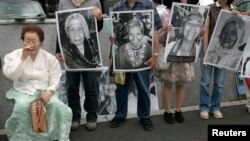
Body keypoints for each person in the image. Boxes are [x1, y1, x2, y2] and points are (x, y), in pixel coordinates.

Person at [3, 25, 72, 141]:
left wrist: (50, 92)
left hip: (45, 90)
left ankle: (57, 135)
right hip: (23, 90)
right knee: (21, 107)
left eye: (34, 41)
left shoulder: (49, 58)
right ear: (23, 41)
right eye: (27, 41)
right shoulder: (14, 55)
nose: (30, 44)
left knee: (59, 107)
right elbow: (10, 75)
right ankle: (22, 137)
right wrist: (22, 58)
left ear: (41, 42)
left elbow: (55, 78)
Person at [109, 0, 162, 131]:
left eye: (138, 34)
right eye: (131, 34)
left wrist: (155, 55)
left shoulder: (149, 5)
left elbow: (154, 32)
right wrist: (113, 37)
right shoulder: (117, 6)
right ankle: (120, 114)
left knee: (144, 88)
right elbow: (114, 32)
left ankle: (144, 116)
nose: (135, 37)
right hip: (124, 56)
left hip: (144, 58)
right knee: (121, 88)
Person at [55, 0, 103, 131]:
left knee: (91, 86)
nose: (76, 33)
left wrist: (99, 18)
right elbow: (59, 27)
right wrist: (58, 49)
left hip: (90, 57)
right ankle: (74, 116)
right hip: (69, 56)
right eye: (72, 30)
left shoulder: (95, 1)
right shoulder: (63, 2)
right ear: (68, 32)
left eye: (80, 29)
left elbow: (98, 28)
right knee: (72, 88)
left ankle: (91, 116)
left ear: (85, 30)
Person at [155, 0, 196, 124]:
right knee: (168, 83)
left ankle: (178, 110)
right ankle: (167, 111)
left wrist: (200, 33)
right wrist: (165, 32)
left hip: (185, 53)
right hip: (170, 52)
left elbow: (195, 35)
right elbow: (158, 36)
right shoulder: (163, 14)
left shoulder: (192, 13)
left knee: (181, 83)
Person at [200, 0, 234, 120]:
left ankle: (215, 107)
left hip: (224, 53)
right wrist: (205, 52)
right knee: (205, 81)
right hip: (208, 50)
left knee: (219, 83)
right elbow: (205, 31)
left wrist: (239, 15)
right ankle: (204, 107)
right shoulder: (210, 8)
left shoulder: (232, 10)